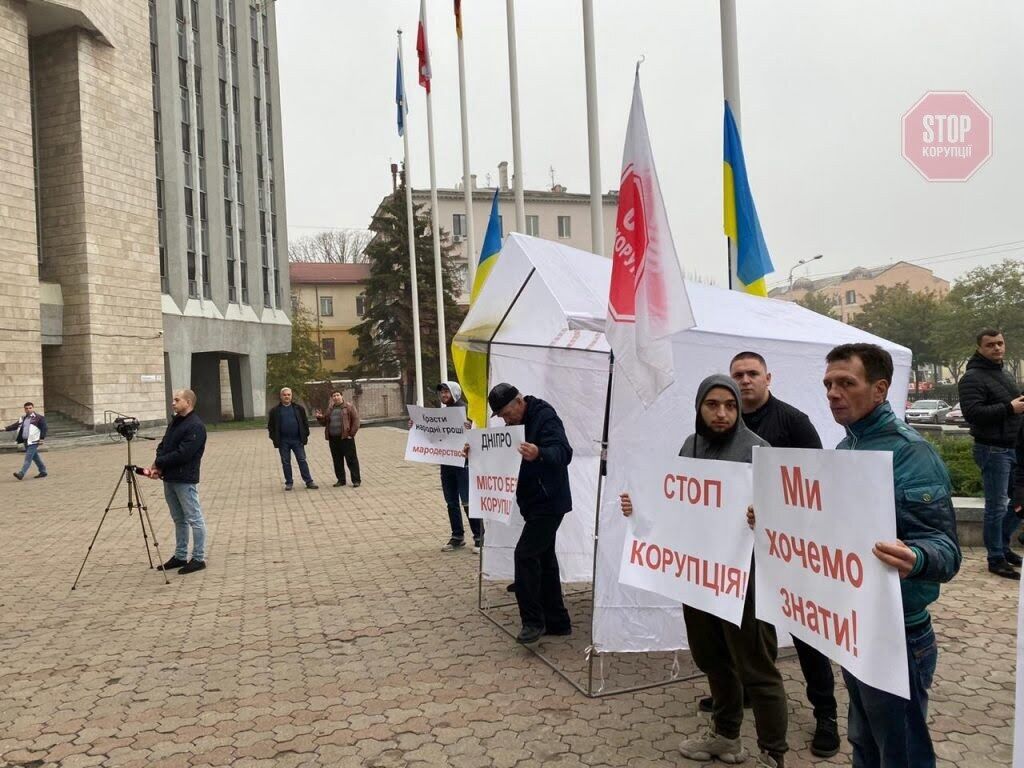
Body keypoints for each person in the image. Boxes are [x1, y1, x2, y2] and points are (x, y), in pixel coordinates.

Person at [622, 374, 789, 768]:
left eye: (730, 405)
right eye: (712, 405)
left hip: (745, 580)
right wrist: (640, 509)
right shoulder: (690, 446)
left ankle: (773, 754)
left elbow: (786, 521)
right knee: (712, 658)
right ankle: (726, 736)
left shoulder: (758, 450)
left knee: (757, 669)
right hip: (699, 577)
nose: (722, 413)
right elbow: (676, 504)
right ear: (699, 407)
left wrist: (764, 516)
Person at [820, 343, 960, 766]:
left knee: (901, 752)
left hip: (900, 634)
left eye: (847, 383)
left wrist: (915, 557)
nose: (833, 393)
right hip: (855, 626)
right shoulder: (846, 450)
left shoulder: (911, 453)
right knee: (864, 740)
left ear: (880, 390)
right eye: (828, 384)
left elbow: (947, 551)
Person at [715, 352, 838, 758]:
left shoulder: (793, 421)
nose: (745, 380)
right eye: (738, 375)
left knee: (805, 633)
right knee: (744, 626)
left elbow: (817, 484)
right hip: (738, 547)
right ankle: (748, 692)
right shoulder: (723, 421)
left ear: (769, 377)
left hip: (788, 547)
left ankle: (826, 714)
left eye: (752, 374)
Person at [487, 383, 573, 646]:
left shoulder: (545, 416)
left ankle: (532, 621)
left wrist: (539, 453)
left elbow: (564, 452)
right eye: (500, 416)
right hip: (533, 503)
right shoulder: (513, 426)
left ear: (519, 401)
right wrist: (474, 453)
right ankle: (558, 622)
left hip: (550, 501)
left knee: (525, 555)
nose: (504, 419)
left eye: (505, 413)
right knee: (544, 560)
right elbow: (499, 454)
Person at [957, 329, 1024, 579]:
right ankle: (995, 558)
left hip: (1011, 446)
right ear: (980, 348)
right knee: (996, 507)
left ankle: (1003, 547)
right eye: (991, 345)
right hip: (992, 449)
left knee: (1016, 503)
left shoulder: (1002, 373)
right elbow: (973, 413)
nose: (997, 348)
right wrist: (1009, 407)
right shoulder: (972, 378)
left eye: (1000, 343)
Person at [148, 389, 208, 574]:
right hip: (170, 477)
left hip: (184, 479)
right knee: (178, 519)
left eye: (177, 399)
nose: (173, 403)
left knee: (194, 518)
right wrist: (158, 464)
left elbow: (184, 454)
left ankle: (198, 558)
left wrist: (159, 462)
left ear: (188, 402)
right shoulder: (176, 421)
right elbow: (164, 444)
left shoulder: (195, 426)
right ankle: (180, 555)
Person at [435, 381, 482, 553]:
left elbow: (477, 431)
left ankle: (479, 537)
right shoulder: (442, 413)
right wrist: (415, 426)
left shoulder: (466, 410)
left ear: (455, 392)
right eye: (441, 392)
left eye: (446, 391)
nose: (443, 395)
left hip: (463, 462)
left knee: (467, 500)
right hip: (446, 462)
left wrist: (471, 427)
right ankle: (457, 536)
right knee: (451, 501)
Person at [267, 387, 318, 491]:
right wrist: (275, 438)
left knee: (302, 460)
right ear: (281, 396)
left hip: (297, 440)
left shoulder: (299, 409)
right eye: (284, 395)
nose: (287, 396)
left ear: (291, 396)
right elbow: (271, 427)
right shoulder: (275, 411)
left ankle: (309, 481)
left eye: (288, 395)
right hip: (283, 442)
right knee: (286, 462)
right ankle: (289, 482)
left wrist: (305, 435)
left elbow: (305, 423)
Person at [315, 390, 361, 488]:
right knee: (337, 460)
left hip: (346, 438)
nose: (336, 397)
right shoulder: (330, 409)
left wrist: (351, 434)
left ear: (341, 396)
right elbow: (325, 422)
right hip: (333, 439)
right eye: (334, 396)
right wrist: (320, 418)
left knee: (351, 460)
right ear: (332, 398)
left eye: (338, 395)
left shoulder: (349, 406)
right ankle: (341, 480)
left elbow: (356, 421)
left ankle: (356, 480)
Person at [5, 402, 48, 480]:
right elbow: (15, 425)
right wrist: (5, 428)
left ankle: (21, 474)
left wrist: (42, 438)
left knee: (28, 458)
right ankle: (43, 471)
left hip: (34, 441)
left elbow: (44, 428)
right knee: (35, 457)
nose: (28, 410)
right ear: (24, 409)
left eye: (30, 408)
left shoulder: (39, 418)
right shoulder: (23, 418)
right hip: (26, 441)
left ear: (33, 408)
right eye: (26, 408)